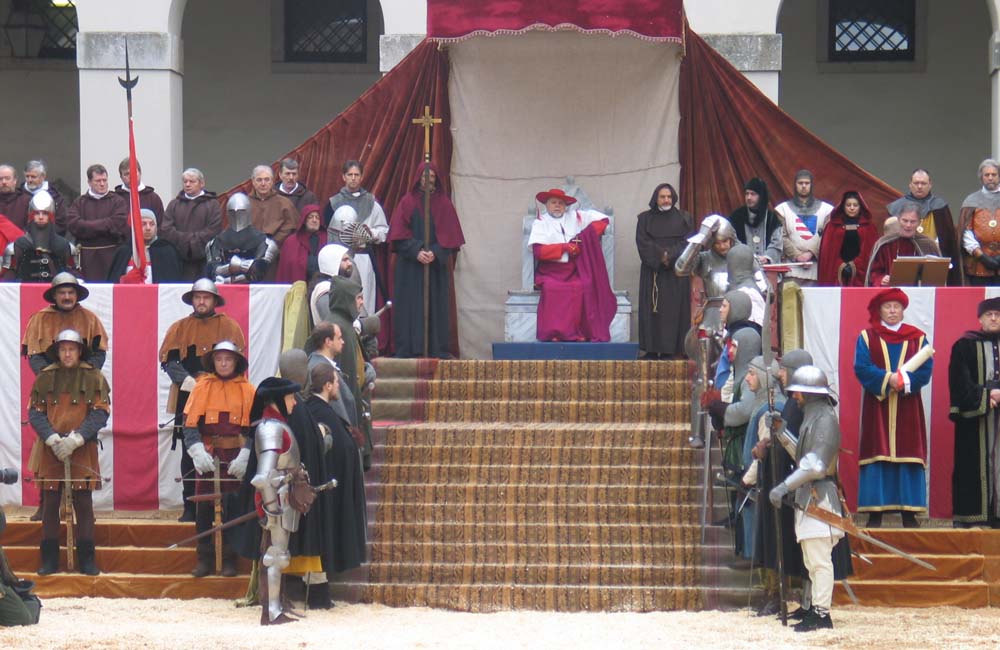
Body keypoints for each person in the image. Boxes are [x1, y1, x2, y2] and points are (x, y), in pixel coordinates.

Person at [159, 279, 246, 522]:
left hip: (223, 397)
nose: (201, 301)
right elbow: (170, 361)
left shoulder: (229, 327)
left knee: (225, 448)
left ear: (214, 300)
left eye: (206, 297)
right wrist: (188, 381)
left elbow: (236, 363)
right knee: (190, 450)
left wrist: (216, 385)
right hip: (189, 396)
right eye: (197, 297)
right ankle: (190, 506)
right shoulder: (180, 328)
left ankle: (226, 506)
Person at [768, 365, 845, 632]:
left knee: (819, 560)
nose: (795, 397)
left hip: (820, 496)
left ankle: (822, 614)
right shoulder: (813, 418)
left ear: (810, 394)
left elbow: (815, 466)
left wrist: (783, 486)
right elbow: (803, 459)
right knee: (812, 560)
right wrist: (782, 432)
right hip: (809, 496)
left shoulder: (825, 420)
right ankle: (814, 609)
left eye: (798, 393)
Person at [29, 329, 110, 577]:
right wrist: (52, 438)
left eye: (71, 349)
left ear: (79, 351)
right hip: (51, 450)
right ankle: (49, 559)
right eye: (63, 349)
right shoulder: (45, 377)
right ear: (57, 352)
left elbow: (100, 412)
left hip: (82, 449)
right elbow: (35, 413)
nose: (67, 354)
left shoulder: (94, 377)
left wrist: (77, 438)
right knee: (50, 504)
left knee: (83, 504)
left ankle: (87, 559)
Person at [853, 288, 932, 528]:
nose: (892, 311)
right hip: (877, 407)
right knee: (877, 452)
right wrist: (889, 380)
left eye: (896, 307)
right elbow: (862, 367)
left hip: (908, 406)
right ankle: (875, 513)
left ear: (903, 310)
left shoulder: (918, 338)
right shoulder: (867, 337)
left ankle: (909, 513)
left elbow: (925, 370)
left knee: (907, 452)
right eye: (888, 307)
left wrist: (904, 382)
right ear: (880, 311)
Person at [181, 340, 256, 577]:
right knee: (204, 506)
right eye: (219, 359)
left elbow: (255, 428)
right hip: (208, 454)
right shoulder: (201, 387)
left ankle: (230, 559)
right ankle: (204, 558)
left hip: (235, 456)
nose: (223, 363)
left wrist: (246, 455)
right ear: (213, 362)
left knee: (232, 506)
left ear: (236, 362)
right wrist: (196, 450)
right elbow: (189, 424)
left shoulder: (248, 390)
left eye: (228, 359)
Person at [388, 162, 465, 358]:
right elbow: (398, 236)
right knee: (410, 307)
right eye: (425, 176)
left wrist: (435, 252)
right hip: (411, 268)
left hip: (435, 269)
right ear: (419, 178)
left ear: (436, 179)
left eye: (431, 177)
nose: (428, 180)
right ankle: (409, 348)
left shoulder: (444, 204)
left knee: (436, 307)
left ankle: (436, 348)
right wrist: (416, 251)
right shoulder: (407, 202)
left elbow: (451, 238)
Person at [528, 187, 615, 342]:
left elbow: (603, 220)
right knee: (553, 288)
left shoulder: (576, 216)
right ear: (546, 205)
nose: (557, 206)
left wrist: (583, 237)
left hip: (573, 270)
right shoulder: (540, 222)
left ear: (566, 206)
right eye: (553, 202)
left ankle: (576, 332)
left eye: (561, 203)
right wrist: (564, 247)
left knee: (581, 286)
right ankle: (554, 333)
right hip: (550, 271)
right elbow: (539, 251)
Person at [304, 362, 367, 573]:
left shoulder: (320, 410)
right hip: (328, 489)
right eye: (337, 382)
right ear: (328, 385)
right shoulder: (319, 412)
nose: (339, 386)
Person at [948, 297, 1000, 527]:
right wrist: (986, 396)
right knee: (972, 466)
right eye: (989, 314)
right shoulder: (964, 346)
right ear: (980, 319)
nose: (994, 318)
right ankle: (973, 517)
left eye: (998, 314)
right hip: (976, 418)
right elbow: (959, 381)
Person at [635, 182, 691, 359]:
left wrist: (670, 255)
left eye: (669, 197)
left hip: (676, 273)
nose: (666, 200)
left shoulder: (684, 218)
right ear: (656, 198)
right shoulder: (644, 219)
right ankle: (651, 349)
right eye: (662, 197)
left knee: (673, 313)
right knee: (652, 312)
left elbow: (688, 242)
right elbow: (642, 243)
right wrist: (661, 256)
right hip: (653, 273)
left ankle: (670, 351)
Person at [326, 160, 389, 315]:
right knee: (343, 300)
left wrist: (370, 233)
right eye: (350, 175)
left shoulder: (372, 203)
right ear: (344, 177)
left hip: (363, 258)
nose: (353, 178)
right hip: (341, 260)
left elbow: (383, 231)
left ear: (361, 177)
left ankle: (363, 329)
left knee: (364, 300)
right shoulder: (333, 204)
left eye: (356, 175)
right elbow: (329, 234)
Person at [326, 277, 374, 468]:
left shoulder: (345, 325)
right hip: (345, 412)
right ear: (346, 299)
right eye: (358, 298)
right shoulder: (339, 328)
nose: (361, 302)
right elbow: (346, 380)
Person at [22, 273, 108, 374]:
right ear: (54, 295)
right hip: (50, 378)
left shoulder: (90, 319)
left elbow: (99, 353)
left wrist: (85, 374)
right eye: (62, 293)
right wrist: (48, 376)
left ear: (76, 295)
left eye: (71, 292)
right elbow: (35, 355)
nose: (67, 297)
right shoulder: (39, 319)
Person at [887, 169, 960, 285]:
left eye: (923, 183)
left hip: (933, 257)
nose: (919, 186)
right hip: (905, 256)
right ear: (910, 184)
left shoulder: (939, 206)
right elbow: (890, 237)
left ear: (930, 185)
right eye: (916, 183)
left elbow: (947, 239)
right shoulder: (898, 207)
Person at [66, 164, 129, 281]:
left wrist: (87, 226)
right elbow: (74, 225)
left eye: (104, 180)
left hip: (111, 255)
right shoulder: (79, 203)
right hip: (87, 258)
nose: (102, 184)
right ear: (89, 182)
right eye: (98, 181)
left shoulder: (118, 201)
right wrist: (105, 225)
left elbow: (118, 223)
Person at [159, 168, 223, 281]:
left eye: (192, 181)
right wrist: (187, 242)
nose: (187, 184)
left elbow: (214, 230)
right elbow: (166, 230)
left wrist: (192, 243)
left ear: (202, 183)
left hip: (204, 261)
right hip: (179, 261)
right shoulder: (174, 205)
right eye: (185, 181)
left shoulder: (213, 205)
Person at [775, 170, 833, 286]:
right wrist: (797, 256)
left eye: (807, 183)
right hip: (791, 270)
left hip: (816, 269)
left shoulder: (827, 210)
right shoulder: (782, 209)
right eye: (800, 183)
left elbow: (827, 235)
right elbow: (782, 236)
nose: (803, 186)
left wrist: (810, 254)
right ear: (795, 185)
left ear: (811, 185)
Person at [205, 193, 277, 284]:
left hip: (254, 290)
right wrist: (235, 266)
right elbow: (213, 271)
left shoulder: (265, 242)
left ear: (248, 211)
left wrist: (235, 268)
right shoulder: (216, 242)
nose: (236, 214)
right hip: (223, 288)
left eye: (241, 211)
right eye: (232, 212)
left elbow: (258, 271)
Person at [865, 202, 941, 287]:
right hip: (890, 292)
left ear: (919, 222)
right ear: (898, 219)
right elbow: (874, 273)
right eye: (905, 221)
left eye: (913, 222)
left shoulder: (929, 245)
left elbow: (937, 276)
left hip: (920, 293)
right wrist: (881, 279)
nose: (908, 225)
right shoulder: (884, 244)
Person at [9, 190, 74, 282]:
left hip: (55, 290)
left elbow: (72, 275)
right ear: (31, 215)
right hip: (27, 289)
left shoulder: (65, 246)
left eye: (45, 213)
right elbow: (9, 279)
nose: (40, 217)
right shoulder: (18, 245)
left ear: (51, 216)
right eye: (37, 213)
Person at [817, 191, 879, 287]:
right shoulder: (832, 226)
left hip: (861, 272)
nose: (852, 208)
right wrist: (841, 265)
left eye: (855, 205)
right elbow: (828, 254)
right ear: (843, 207)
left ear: (860, 207)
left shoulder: (869, 227)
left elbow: (869, 253)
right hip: (836, 272)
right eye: (848, 205)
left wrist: (854, 265)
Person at [107, 208, 183, 283]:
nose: (148, 228)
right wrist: (125, 280)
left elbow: (172, 283)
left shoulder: (166, 250)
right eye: (143, 224)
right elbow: (114, 282)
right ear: (135, 226)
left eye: (152, 224)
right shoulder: (124, 251)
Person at [958, 158, 1000, 286]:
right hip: (978, 265)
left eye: (994, 174)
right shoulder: (971, 201)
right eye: (987, 175)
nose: (990, 178)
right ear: (981, 177)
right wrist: (981, 256)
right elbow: (966, 232)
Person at [729, 177, 783, 264]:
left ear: (761, 196)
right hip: (744, 265)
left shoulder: (772, 218)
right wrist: (748, 257)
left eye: (753, 194)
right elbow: (733, 240)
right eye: (747, 194)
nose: (749, 197)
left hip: (767, 266)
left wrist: (767, 258)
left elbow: (776, 243)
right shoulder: (736, 216)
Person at [275, 203, 327, 284]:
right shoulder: (291, 242)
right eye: (310, 217)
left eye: (317, 217)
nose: (314, 220)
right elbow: (286, 268)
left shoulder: (327, 240)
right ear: (304, 220)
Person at [248, 165, 298, 246]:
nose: (263, 184)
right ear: (253, 182)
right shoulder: (245, 203)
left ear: (272, 181)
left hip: (278, 247)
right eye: (259, 180)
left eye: (267, 179)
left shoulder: (284, 203)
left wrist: (273, 241)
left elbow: (291, 226)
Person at [309, 243, 353, 325]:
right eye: (345, 260)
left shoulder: (337, 286)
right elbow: (332, 324)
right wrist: (360, 325)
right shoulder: (324, 288)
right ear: (333, 263)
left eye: (349, 260)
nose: (349, 263)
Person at [113, 158, 165, 224]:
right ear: (121, 177)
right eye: (126, 174)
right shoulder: (115, 199)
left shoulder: (153, 198)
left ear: (140, 173)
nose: (131, 177)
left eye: (134, 172)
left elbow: (161, 224)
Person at [23, 160, 68, 234]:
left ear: (43, 176)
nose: (29, 180)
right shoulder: (19, 195)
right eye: (27, 176)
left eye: (33, 177)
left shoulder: (55, 197)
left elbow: (61, 224)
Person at [0, 163, 30, 230]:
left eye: (7, 178)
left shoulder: (26, 201)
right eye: (0, 179)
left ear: (15, 180)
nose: (4, 182)